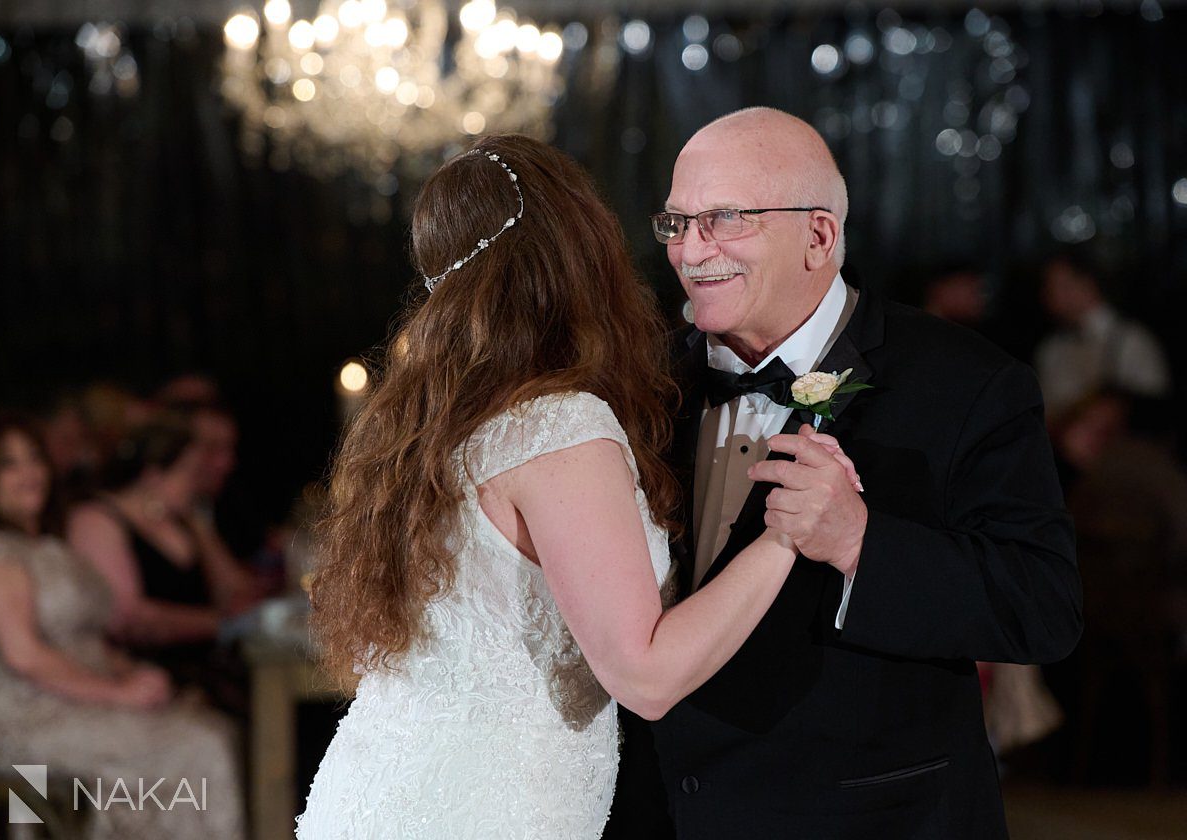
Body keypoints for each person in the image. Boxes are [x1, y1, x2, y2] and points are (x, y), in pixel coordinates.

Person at [295, 135, 859, 839]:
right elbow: (646, 678)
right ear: (582, 250)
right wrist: (785, 533)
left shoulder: (433, 417)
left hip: (382, 791)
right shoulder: (556, 425)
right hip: (481, 814)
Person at [609, 108, 1082, 839]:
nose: (689, 251)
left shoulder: (968, 383)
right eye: (677, 223)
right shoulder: (636, 384)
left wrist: (864, 544)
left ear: (819, 236)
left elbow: (1043, 609)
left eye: (723, 220)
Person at [0, 414, 244, 839]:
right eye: (7, 463)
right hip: (27, 713)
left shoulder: (47, 546)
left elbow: (80, 636)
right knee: (197, 749)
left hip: (78, 695)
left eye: (33, 458)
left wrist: (126, 671)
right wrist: (118, 693)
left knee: (212, 731)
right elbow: (26, 656)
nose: (28, 472)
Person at [66, 414, 259, 705]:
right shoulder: (98, 520)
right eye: (190, 472)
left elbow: (236, 590)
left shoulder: (182, 521)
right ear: (153, 475)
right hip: (145, 672)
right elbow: (127, 618)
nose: (198, 483)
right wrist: (218, 624)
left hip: (208, 667)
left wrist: (200, 527)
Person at [1035, 250, 1171, 417]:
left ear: (1087, 283)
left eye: (1054, 285)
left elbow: (1154, 412)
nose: (1046, 295)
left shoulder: (1132, 341)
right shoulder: (1052, 347)